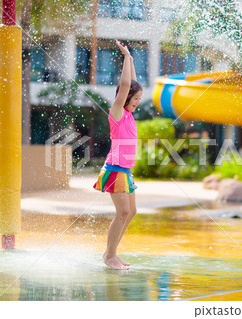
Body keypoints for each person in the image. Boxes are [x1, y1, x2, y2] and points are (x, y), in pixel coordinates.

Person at [93, 40, 143, 270]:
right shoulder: (117, 113)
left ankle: (112, 253)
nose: (137, 103)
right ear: (125, 99)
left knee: (131, 211)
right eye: (135, 99)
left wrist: (131, 59)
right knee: (123, 211)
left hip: (125, 170)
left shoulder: (130, 115)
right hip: (114, 168)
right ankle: (110, 255)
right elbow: (125, 86)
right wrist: (124, 58)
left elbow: (131, 84)